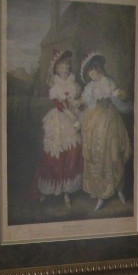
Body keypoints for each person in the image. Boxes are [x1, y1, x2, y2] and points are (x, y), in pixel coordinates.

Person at [78, 52, 132, 211]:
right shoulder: (90, 87)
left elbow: (119, 98)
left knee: (114, 156)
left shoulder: (109, 82)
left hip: (111, 120)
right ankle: (101, 195)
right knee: (98, 157)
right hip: (96, 122)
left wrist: (119, 94)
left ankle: (119, 189)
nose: (91, 75)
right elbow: (87, 102)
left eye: (92, 70)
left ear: (98, 68)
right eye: (89, 73)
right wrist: (78, 102)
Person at [29, 49, 83, 207]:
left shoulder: (75, 85)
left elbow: (77, 102)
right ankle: (49, 189)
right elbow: (59, 105)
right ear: (56, 70)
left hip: (74, 117)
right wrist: (70, 114)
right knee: (55, 153)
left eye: (66, 66)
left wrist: (77, 111)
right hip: (59, 119)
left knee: (73, 152)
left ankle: (67, 191)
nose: (64, 69)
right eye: (61, 67)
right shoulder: (55, 87)